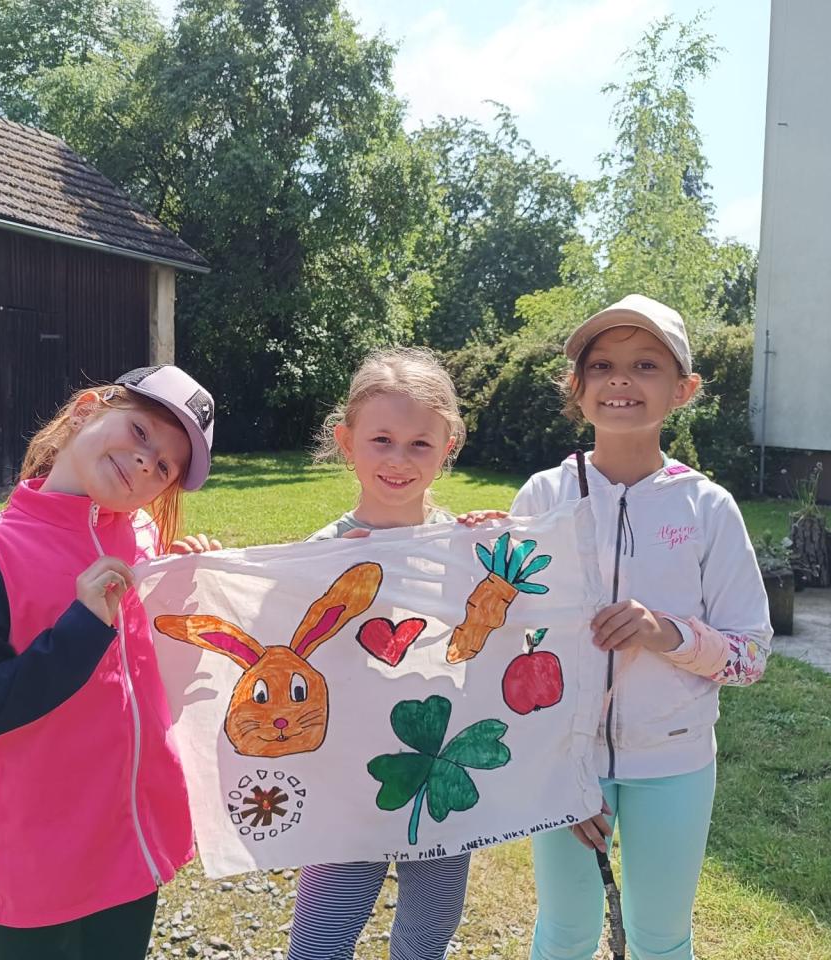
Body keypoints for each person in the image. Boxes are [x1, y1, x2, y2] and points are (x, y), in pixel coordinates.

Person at [0, 365, 221, 960]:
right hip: (42, 857)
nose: (145, 462)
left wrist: (183, 587)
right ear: (87, 409)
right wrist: (80, 630)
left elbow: (154, 676)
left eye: (165, 466)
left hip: (134, 838)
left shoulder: (145, 540)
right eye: (141, 432)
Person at [513, 295, 772, 960]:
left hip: (675, 761)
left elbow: (750, 655)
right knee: (565, 931)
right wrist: (560, 764)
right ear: (577, 387)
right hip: (566, 762)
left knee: (661, 937)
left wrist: (667, 634)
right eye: (601, 365)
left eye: (646, 365)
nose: (620, 379)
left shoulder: (708, 508)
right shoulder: (543, 496)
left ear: (683, 389)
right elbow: (510, 636)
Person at [288, 346, 504, 960]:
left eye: (420, 444)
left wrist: (496, 556)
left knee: (425, 940)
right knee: (319, 944)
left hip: (440, 772)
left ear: (448, 447)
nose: (399, 460)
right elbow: (281, 648)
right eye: (381, 440)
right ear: (346, 441)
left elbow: (496, 636)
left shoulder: (468, 548)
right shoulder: (318, 553)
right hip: (346, 782)